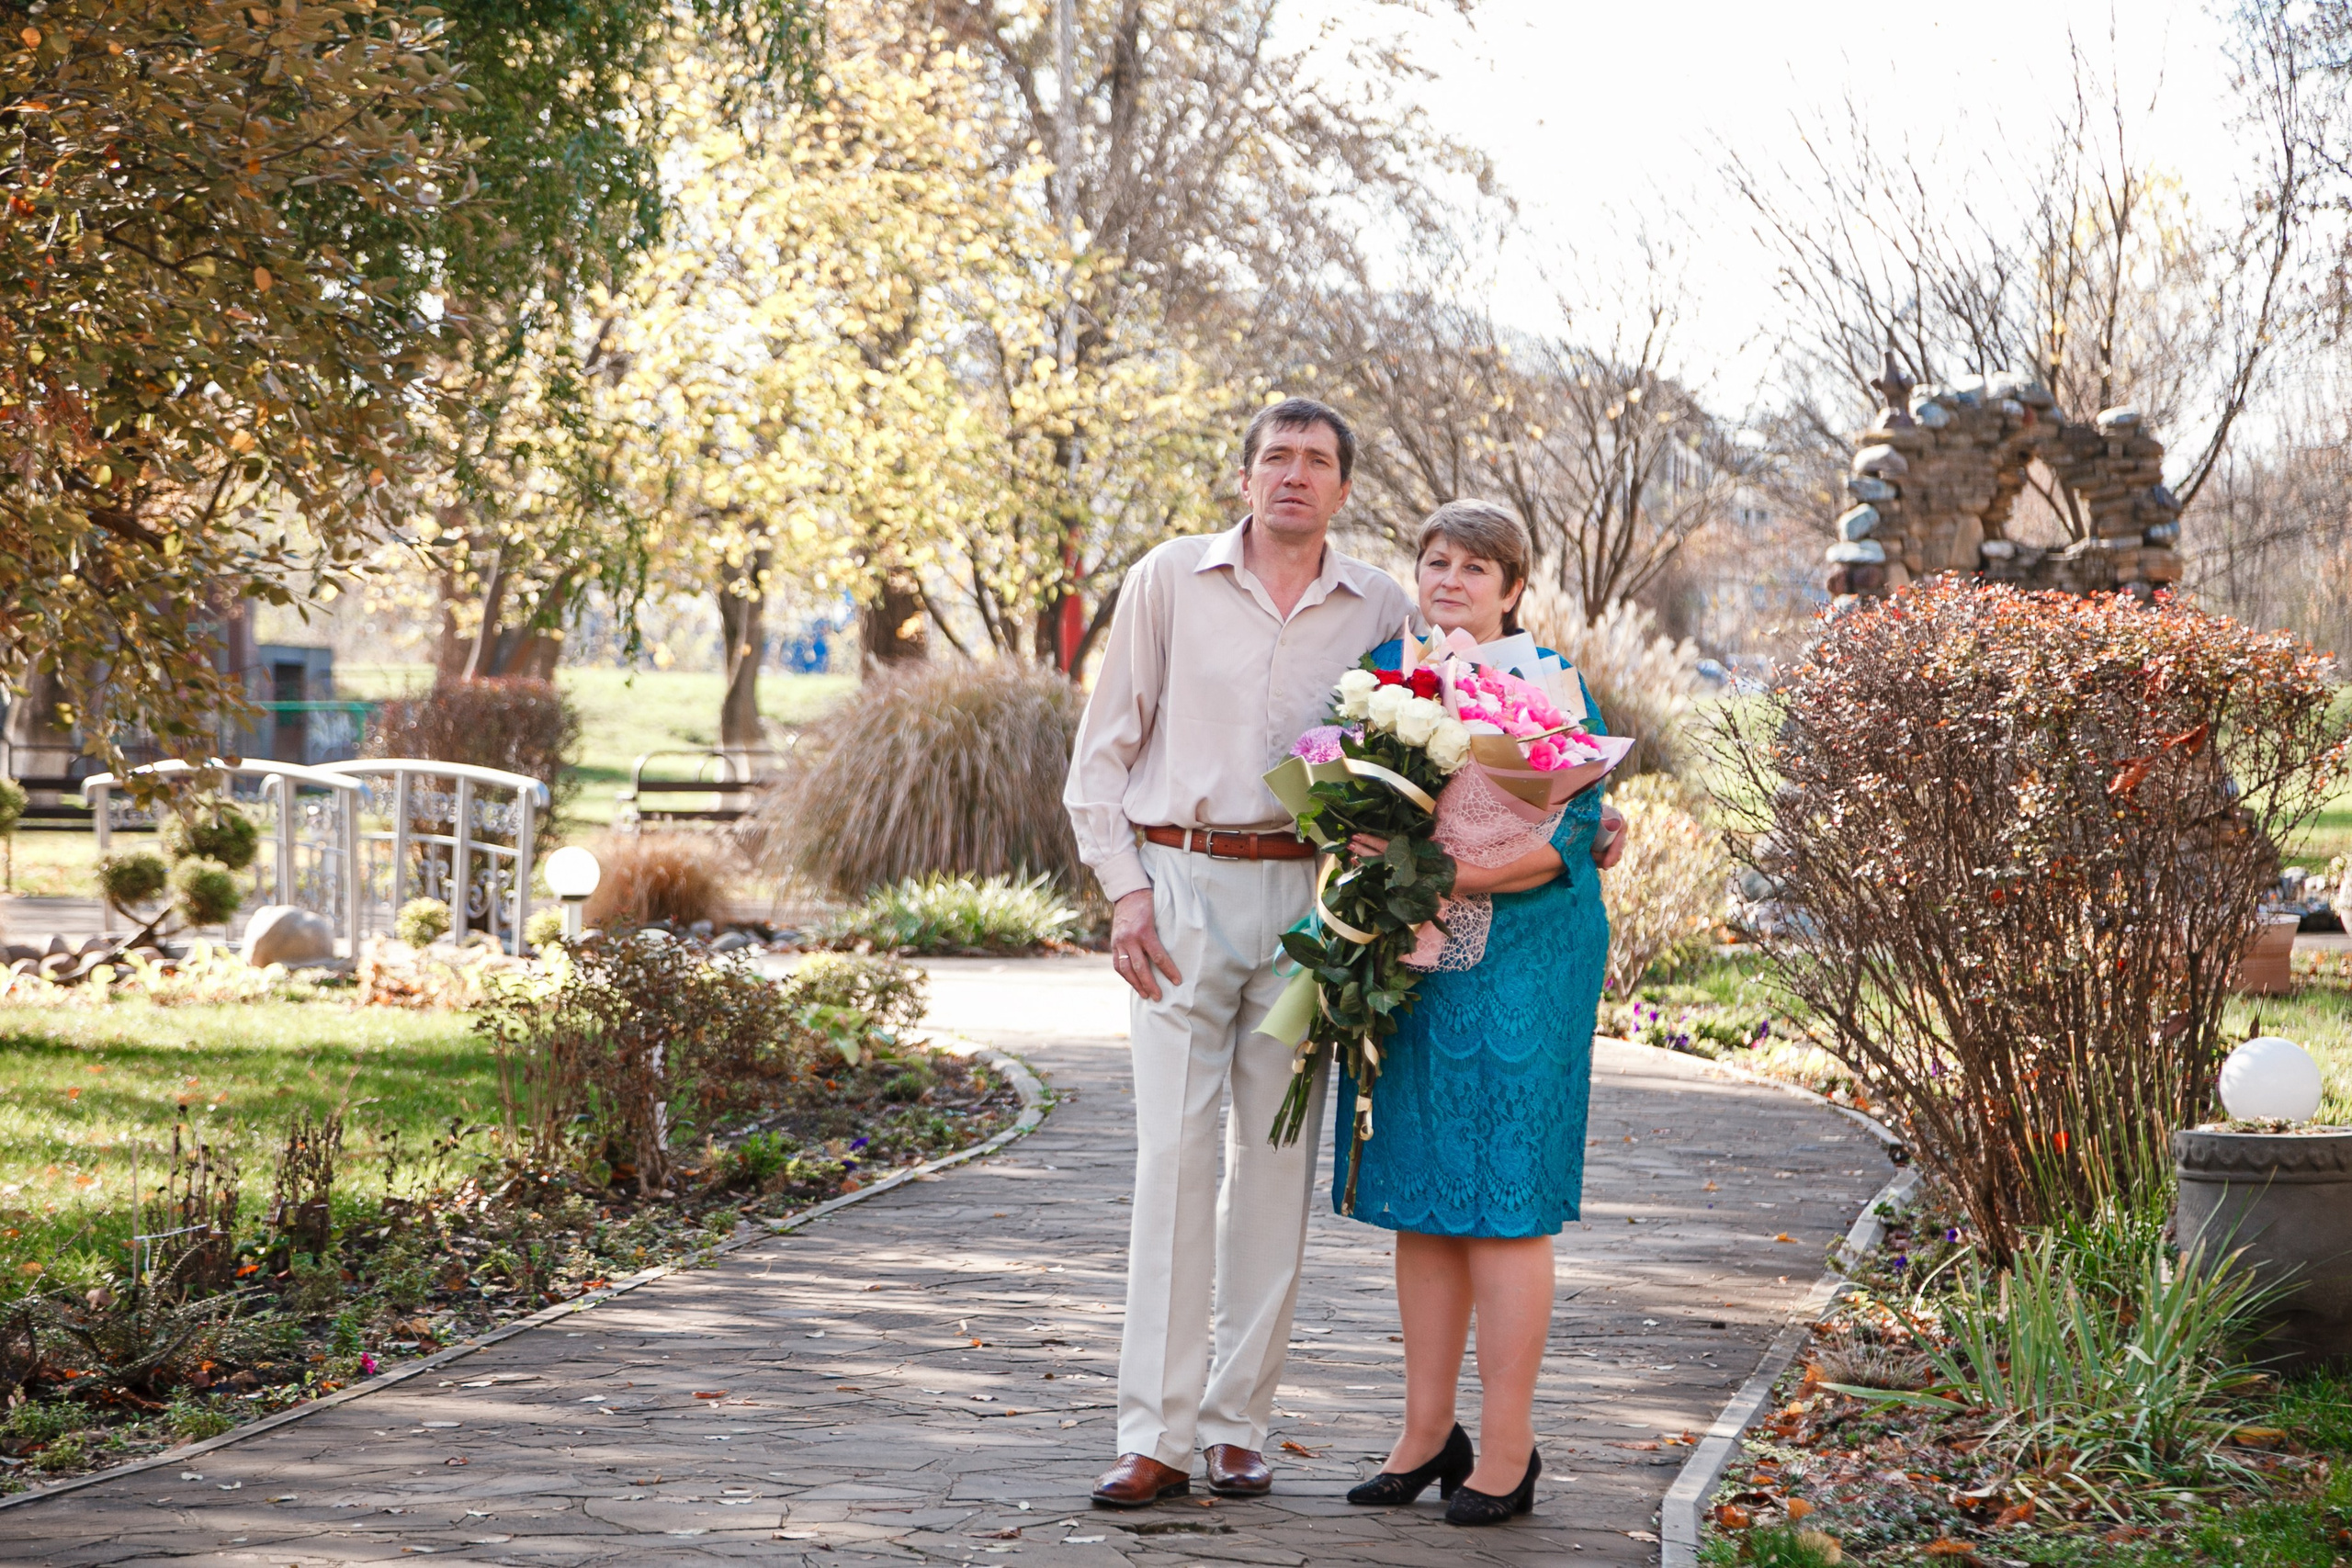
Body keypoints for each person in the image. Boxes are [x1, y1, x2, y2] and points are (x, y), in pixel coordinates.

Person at [1063, 398, 1414, 1508]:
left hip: (1311, 905)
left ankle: (1235, 1427)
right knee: (1174, 1156)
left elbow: (1459, 734)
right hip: (1179, 887)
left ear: (1343, 488)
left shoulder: (1381, 605)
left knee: (1274, 1160)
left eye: (1316, 460)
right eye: (1276, 457)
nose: (1294, 475)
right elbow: (1102, 750)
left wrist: (1582, 813)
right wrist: (1125, 892)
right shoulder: (1170, 579)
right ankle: (1154, 1436)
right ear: (1245, 477)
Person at [1339, 499, 1626, 1527]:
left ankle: (1507, 1446)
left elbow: (1571, 834)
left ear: (1513, 588)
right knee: (1420, 1195)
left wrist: (1450, 869)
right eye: (1435, 562)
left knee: (1504, 1199)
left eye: (1473, 567)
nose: (1450, 580)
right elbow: (1343, 802)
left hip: (1524, 958)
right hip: (1413, 959)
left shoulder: (1550, 687)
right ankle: (1426, 1434)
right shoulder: (1383, 677)